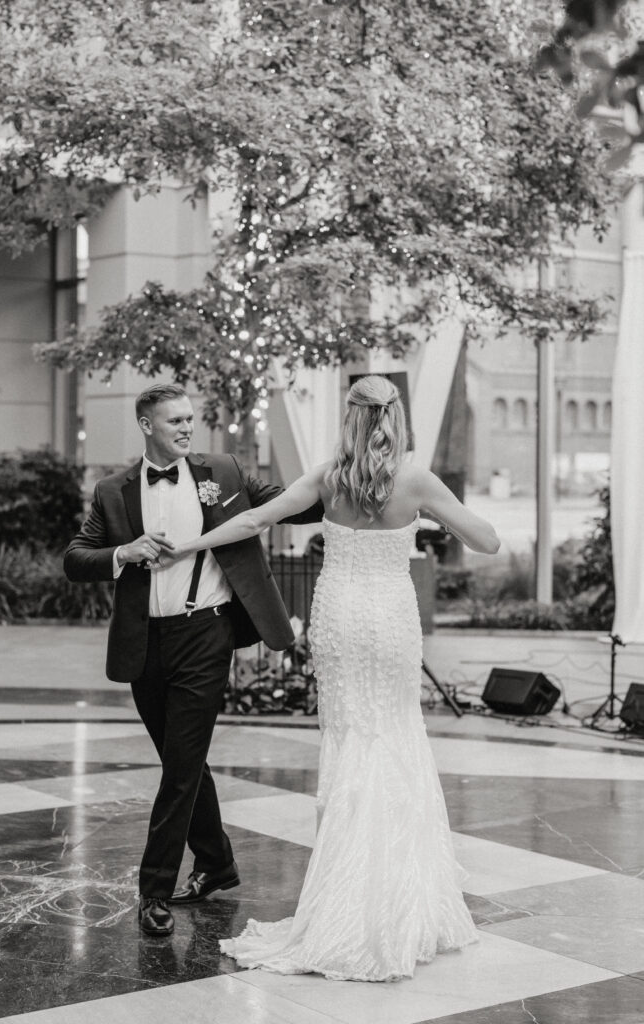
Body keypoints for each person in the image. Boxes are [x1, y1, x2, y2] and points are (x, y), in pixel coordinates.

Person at [162, 375, 500, 981]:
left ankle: (341, 896)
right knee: (393, 735)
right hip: (391, 620)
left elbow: (252, 521)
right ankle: (397, 898)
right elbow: (490, 541)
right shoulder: (415, 481)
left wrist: (188, 545)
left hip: (341, 615)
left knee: (348, 741)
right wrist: (429, 522)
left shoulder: (327, 479)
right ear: (395, 419)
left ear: (349, 419)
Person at [63, 382, 322, 937]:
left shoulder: (224, 471)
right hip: (145, 644)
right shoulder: (113, 490)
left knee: (180, 769)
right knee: (184, 763)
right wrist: (123, 552)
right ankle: (217, 863)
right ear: (146, 425)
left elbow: (289, 503)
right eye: (174, 420)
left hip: (206, 634)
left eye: (190, 418)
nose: (186, 427)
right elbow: (75, 558)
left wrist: (350, 485)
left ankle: (153, 889)